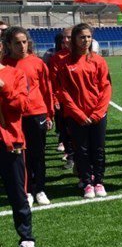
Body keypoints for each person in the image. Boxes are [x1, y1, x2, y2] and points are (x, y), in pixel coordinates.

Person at [57, 23, 112, 199]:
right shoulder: (66, 63)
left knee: (98, 149)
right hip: (76, 116)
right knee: (81, 150)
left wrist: (97, 113)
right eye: (82, 37)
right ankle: (87, 182)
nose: (86, 40)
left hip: (97, 115)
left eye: (88, 37)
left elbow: (106, 88)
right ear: (74, 40)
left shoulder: (98, 61)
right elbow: (63, 92)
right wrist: (78, 114)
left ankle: (99, 181)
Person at [2, 27, 54, 206]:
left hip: (36, 113)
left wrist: (49, 115)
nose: (22, 46)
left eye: (24, 42)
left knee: (38, 154)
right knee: (20, 156)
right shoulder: (4, 64)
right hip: (14, 116)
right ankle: (26, 191)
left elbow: (47, 90)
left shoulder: (37, 63)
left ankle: (39, 189)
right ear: (8, 44)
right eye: (17, 43)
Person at [0, 43, 39, 247]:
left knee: (18, 195)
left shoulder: (14, 74)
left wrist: (4, 87)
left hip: (9, 143)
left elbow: (23, 104)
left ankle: (27, 242)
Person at [45, 27, 74, 169]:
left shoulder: (87, 56)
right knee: (64, 130)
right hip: (63, 102)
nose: (65, 40)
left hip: (82, 102)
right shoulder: (57, 58)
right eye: (63, 38)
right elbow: (52, 81)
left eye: (68, 37)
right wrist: (55, 100)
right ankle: (70, 156)